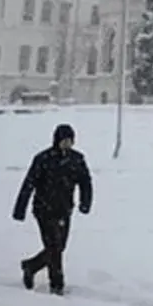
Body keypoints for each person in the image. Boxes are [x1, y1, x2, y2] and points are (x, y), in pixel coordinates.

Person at [12, 123, 93, 295]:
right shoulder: (43, 159)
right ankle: (57, 285)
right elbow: (29, 183)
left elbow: (85, 182)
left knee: (59, 247)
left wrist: (85, 202)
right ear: (57, 140)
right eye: (64, 140)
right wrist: (20, 209)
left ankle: (31, 266)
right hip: (44, 210)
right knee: (54, 247)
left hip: (64, 210)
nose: (67, 144)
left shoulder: (77, 159)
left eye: (70, 141)